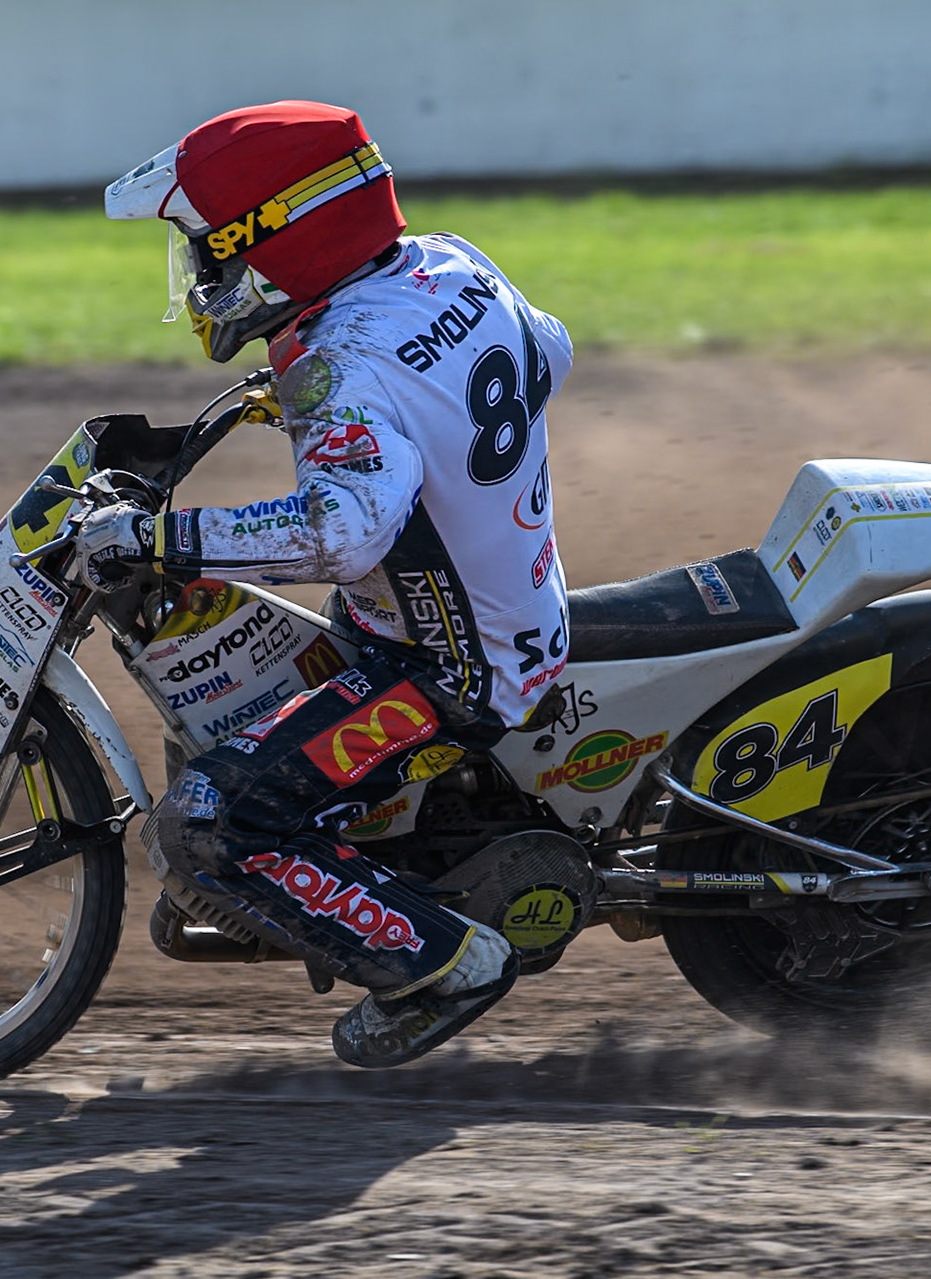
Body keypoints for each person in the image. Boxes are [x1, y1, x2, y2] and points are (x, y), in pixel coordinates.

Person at [85, 100, 572, 1068]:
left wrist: (159, 538)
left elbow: (338, 534)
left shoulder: (342, 359)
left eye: (209, 252)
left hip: (446, 674)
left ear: (277, 236)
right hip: (493, 618)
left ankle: (445, 963)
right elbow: (549, 349)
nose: (203, 279)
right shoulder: (448, 263)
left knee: (210, 818)